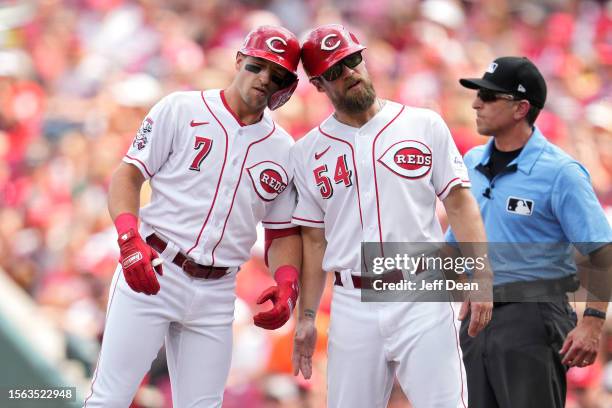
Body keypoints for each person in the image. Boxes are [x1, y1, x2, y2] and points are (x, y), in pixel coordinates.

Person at [83, 25, 302, 407]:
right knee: (111, 397)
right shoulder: (181, 108)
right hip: (156, 265)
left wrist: (287, 283)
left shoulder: (285, 150)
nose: (265, 79)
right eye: (258, 66)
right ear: (239, 60)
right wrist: (128, 239)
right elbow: (128, 174)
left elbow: (280, 233)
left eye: (278, 75)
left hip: (217, 291)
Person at [290, 24, 493, 408]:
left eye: (352, 60)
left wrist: (481, 275)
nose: (349, 73)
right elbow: (314, 241)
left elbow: (460, 203)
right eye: (335, 70)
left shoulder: (423, 123)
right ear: (318, 84)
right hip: (353, 299)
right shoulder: (306, 152)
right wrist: (307, 316)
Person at [446, 56, 612, 408]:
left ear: (521, 108)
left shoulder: (560, 172)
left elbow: (603, 251)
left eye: (489, 97)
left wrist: (593, 322)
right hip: (477, 317)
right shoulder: (471, 162)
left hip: (534, 316)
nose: (476, 103)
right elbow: (454, 247)